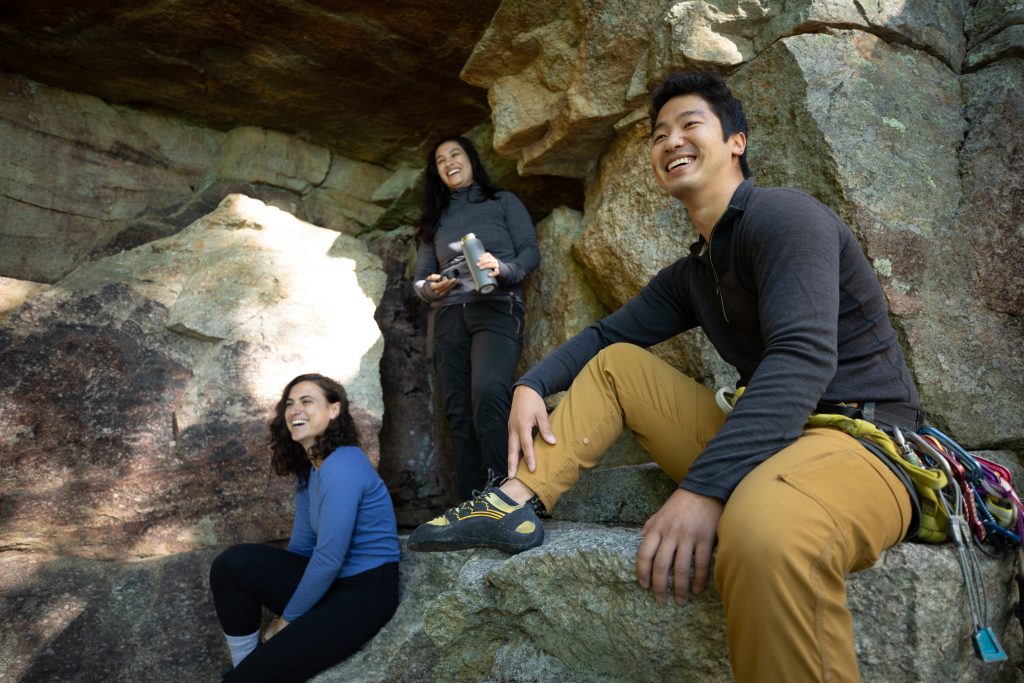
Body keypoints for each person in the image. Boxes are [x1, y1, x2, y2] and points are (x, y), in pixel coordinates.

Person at [409, 71, 924, 682]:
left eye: (689, 124)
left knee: (764, 533)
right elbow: (606, 336)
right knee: (617, 366)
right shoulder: (694, 272)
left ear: (736, 141)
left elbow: (804, 357)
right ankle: (515, 502)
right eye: (658, 134)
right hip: (774, 442)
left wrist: (703, 490)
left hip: (861, 444)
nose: (670, 140)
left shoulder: (784, 217)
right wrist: (530, 384)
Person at [209, 373, 401, 682]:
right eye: (289, 404)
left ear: (334, 410)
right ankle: (247, 663)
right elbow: (301, 550)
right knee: (231, 565)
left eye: (307, 401)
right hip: (330, 585)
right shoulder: (310, 470)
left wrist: (286, 620)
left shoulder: (344, 464)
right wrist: (287, 599)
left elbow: (328, 558)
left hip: (363, 595)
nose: (294, 410)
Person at [413, 135, 540, 499]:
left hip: (497, 305)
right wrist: (430, 286)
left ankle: (504, 493)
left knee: (488, 391)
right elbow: (420, 278)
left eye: (456, 154)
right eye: (441, 160)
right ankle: (470, 501)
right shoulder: (433, 221)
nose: (449, 162)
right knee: (456, 408)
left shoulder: (503, 202)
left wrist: (504, 268)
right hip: (448, 314)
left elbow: (530, 252)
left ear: (470, 159)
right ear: (436, 172)